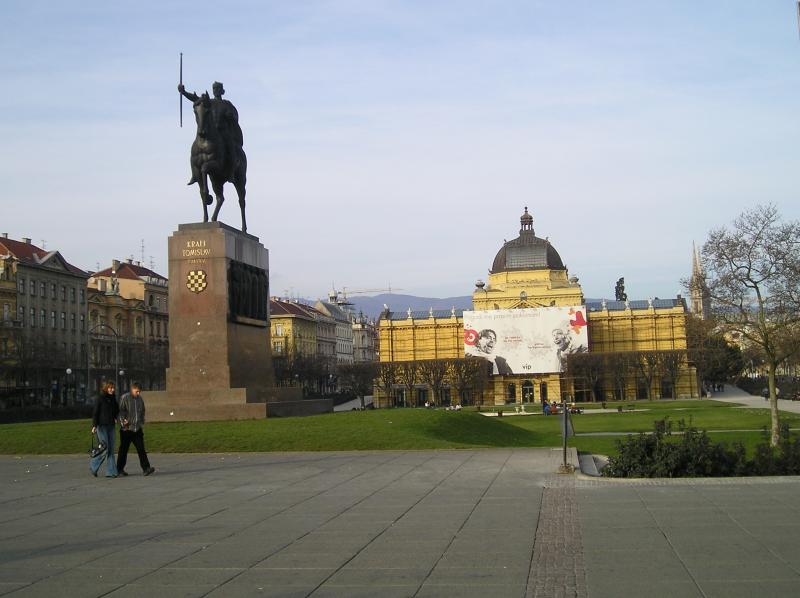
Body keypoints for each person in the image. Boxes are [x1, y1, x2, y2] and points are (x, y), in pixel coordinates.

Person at [116, 382, 155, 477]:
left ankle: (146, 468)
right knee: (123, 450)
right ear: (132, 389)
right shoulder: (125, 397)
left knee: (141, 449)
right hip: (126, 429)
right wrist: (123, 421)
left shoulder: (140, 399)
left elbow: (142, 410)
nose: (138, 393)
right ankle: (119, 469)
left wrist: (141, 421)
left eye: (139, 391)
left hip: (137, 429)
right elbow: (120, 411)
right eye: (137, 391)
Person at [91, 381, 118, 478]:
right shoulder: (100, 398)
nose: (112, 389)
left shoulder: (113, 398)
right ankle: (93, 466)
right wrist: (94, 426)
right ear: (106, 388)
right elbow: (95, 412)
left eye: (113, 388)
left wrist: (116, 417)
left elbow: (116, 410)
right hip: (101, 426)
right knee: (104, 448)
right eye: (110, 388)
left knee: (111, 449)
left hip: (111, 426)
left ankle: (111, 472)